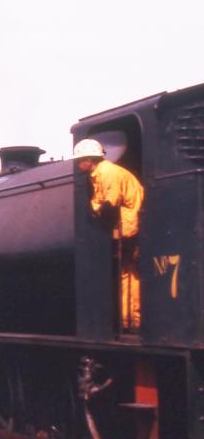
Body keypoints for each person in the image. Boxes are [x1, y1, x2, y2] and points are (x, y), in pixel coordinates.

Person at [72, 138, 144, 331]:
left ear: (90, 160)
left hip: (127, 225)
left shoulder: (107, 173)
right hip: (125, 223)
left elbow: (109, 204)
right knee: (127, 273)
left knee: (129, 271)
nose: (77, 164)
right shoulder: (98, 174)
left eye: (80, 160)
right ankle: (129, 320)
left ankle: (132, 321)